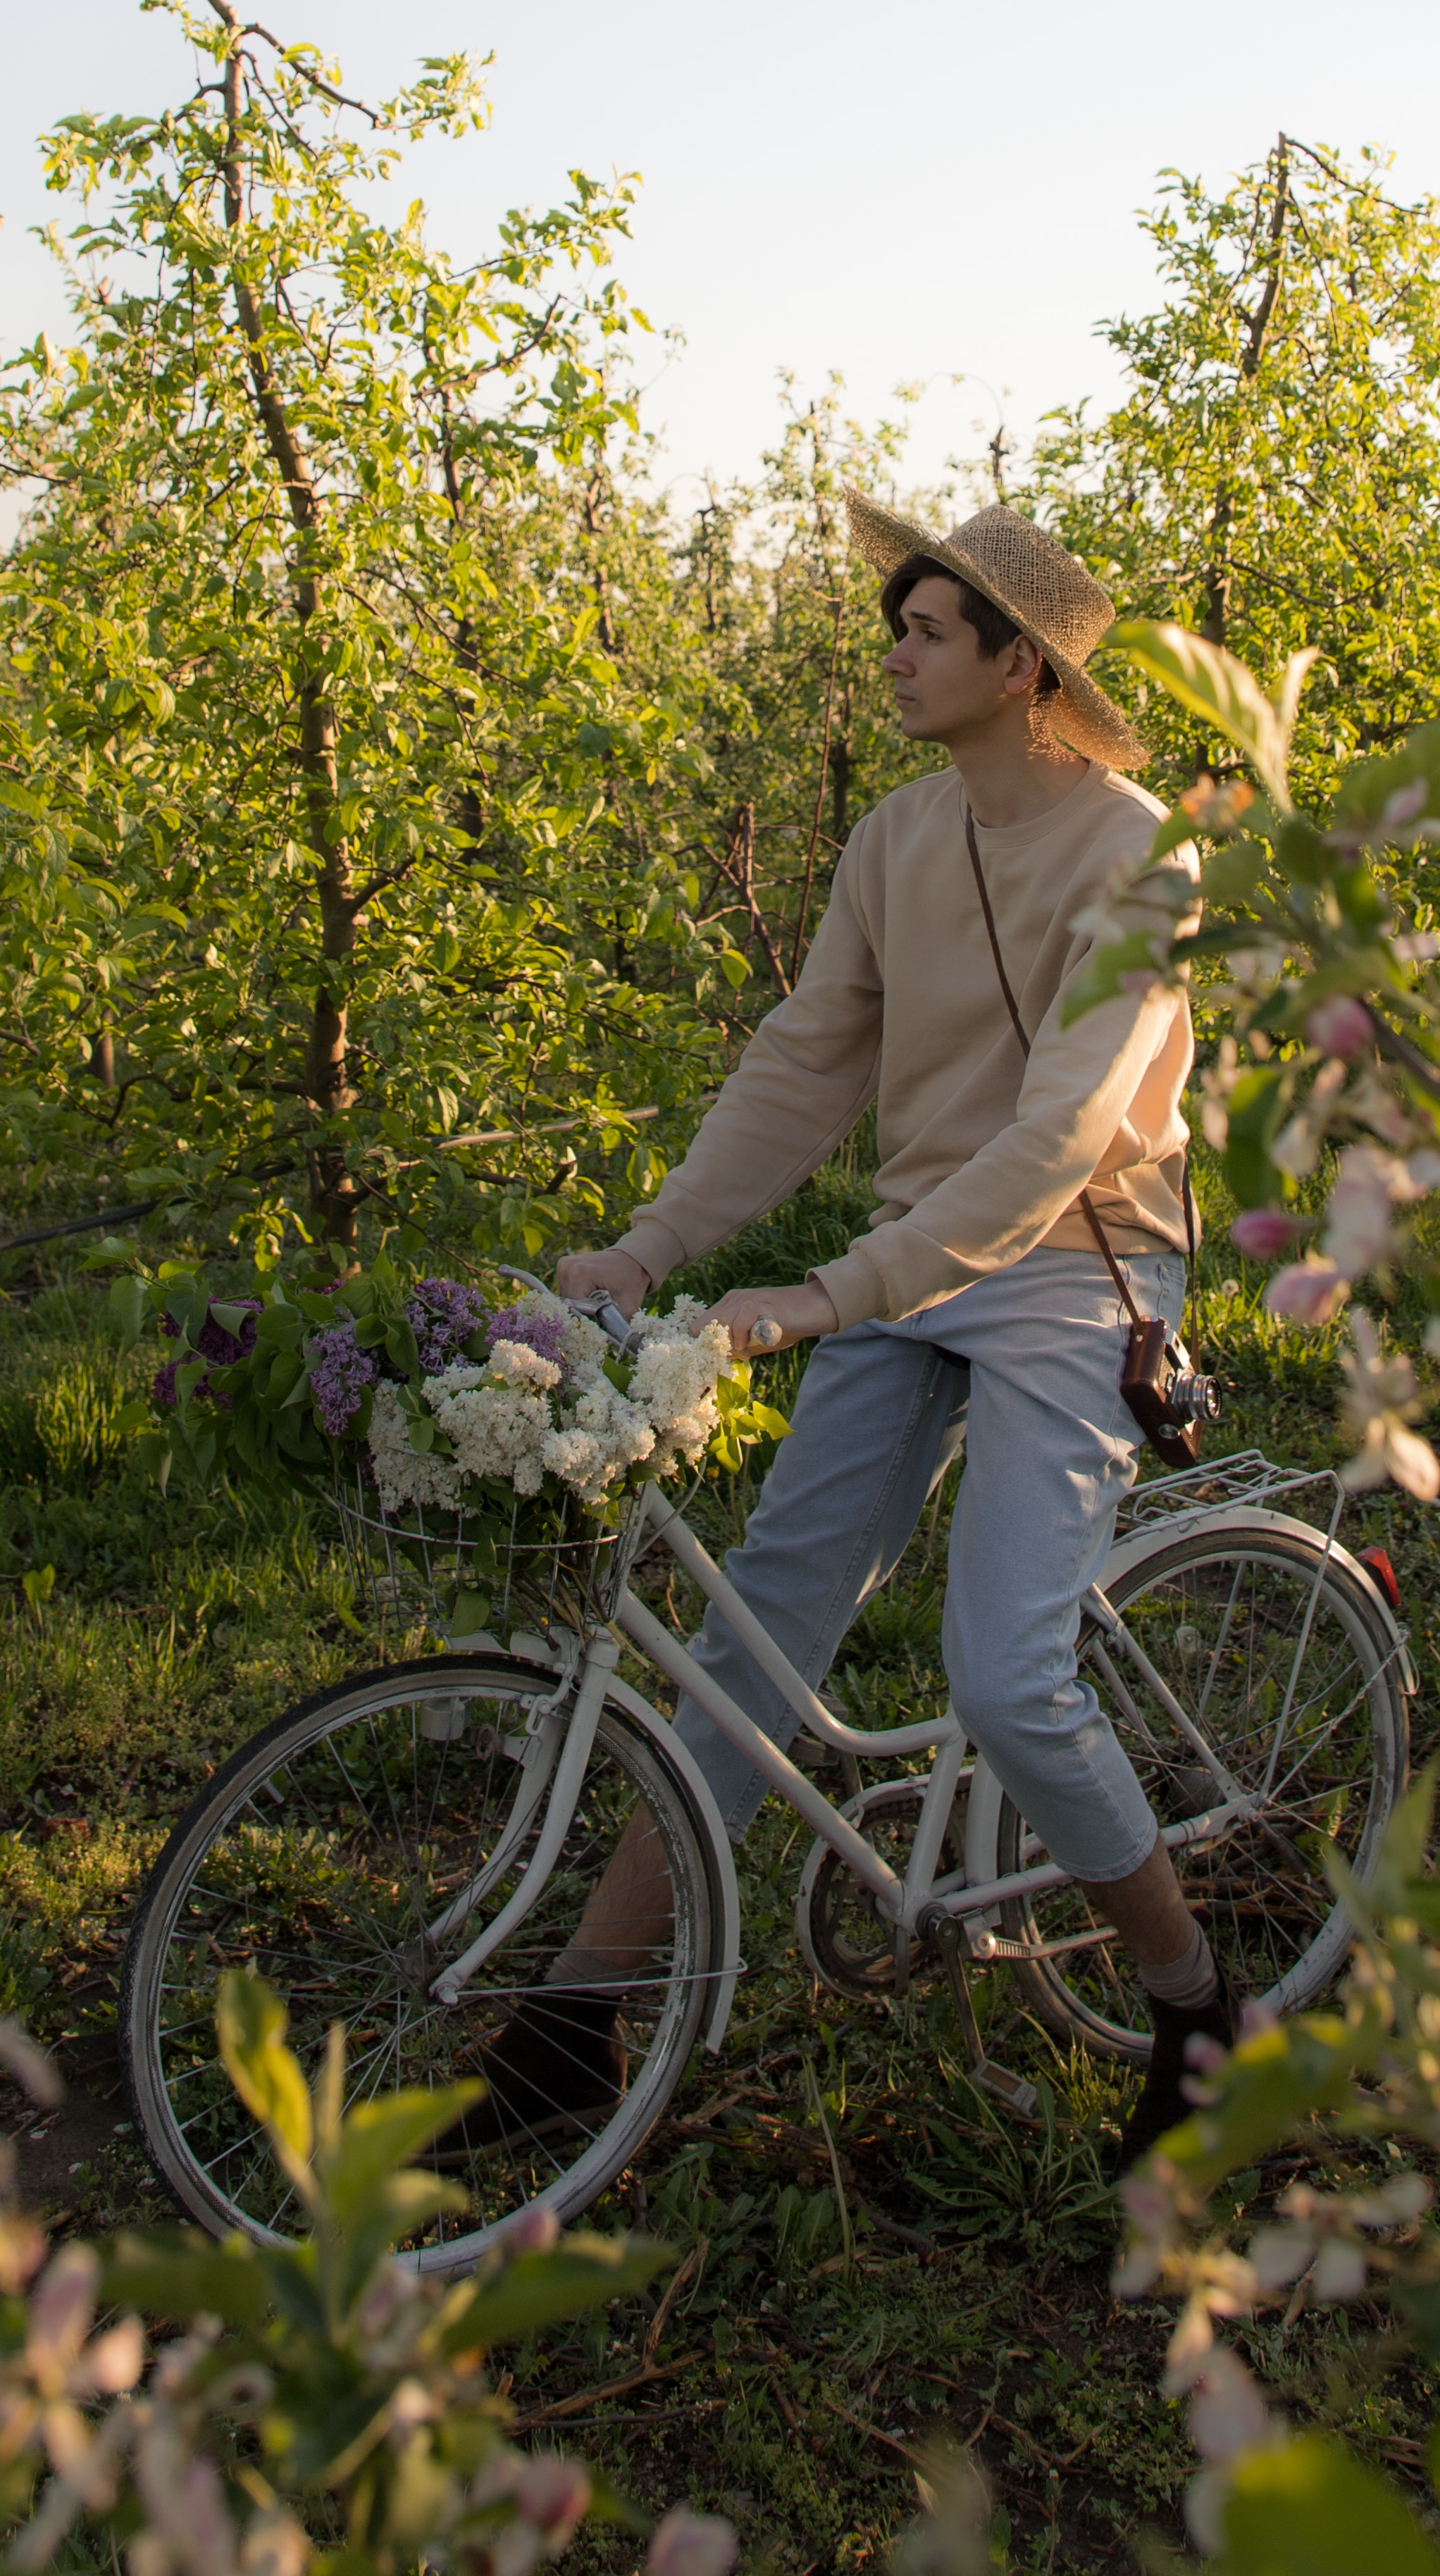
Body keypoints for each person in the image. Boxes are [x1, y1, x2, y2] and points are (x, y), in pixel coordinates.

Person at [461, 492, 1231, 2175]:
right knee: (758, 1629)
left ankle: (1192, 2000)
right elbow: (808, 1061)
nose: (892, 651)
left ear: (1019, 665)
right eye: (897, 623)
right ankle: (569, 2020)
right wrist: (646, 1247)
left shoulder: (1140, 854)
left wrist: (824, 1296)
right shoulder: (897, 838)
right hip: (913, 1260)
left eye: (925, 629)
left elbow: (1054, 1136)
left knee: (1008, 1679)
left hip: (1077, 1263)